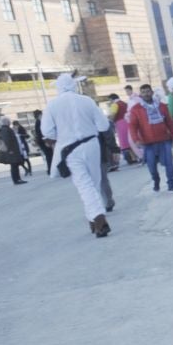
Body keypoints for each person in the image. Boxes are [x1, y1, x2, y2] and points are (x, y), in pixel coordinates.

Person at [41, 72, 113, 236]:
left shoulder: (52, 105)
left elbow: (47, 131)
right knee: (94, 182)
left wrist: (61, 134)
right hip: (92, 144)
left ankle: (99, 219)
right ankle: (93, 219)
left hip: (70, 149)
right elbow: (103, 126)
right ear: (74, 85)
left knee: (84, 185)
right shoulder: (87, 101)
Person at [128, 83, 173, 193]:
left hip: (164, 140)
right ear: (141, 95)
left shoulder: (161, 106)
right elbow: (133, 126)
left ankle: (171, 184)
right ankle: (156, 181)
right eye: (143, 92)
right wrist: (136, 139)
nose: (146, 94)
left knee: (169, 163)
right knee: (151, 166)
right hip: (148, 143)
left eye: (148, 91)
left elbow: (170, 122)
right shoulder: (136, 109)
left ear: (152, 92)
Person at [0, 117, 26, 185]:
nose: (10, 122)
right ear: (6, 122)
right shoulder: (5, 129)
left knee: (15, 165)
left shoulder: (6, 129)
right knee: (14, 165)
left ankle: (18, 179)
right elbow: (7, 140)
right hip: (11, 151)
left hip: (13, 150)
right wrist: (10, 150)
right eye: (9, 121)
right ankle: (16, 180)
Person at [32, 109, 53, 174]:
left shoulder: (38, 122)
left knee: (49, 155)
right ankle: (50, 170)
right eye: (41, 114)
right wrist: (46, 141)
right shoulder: (39, 122)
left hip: (42, 141)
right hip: (43, 142)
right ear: (39, 115)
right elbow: (41, 133)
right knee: (49, 155)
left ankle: (50, 169)